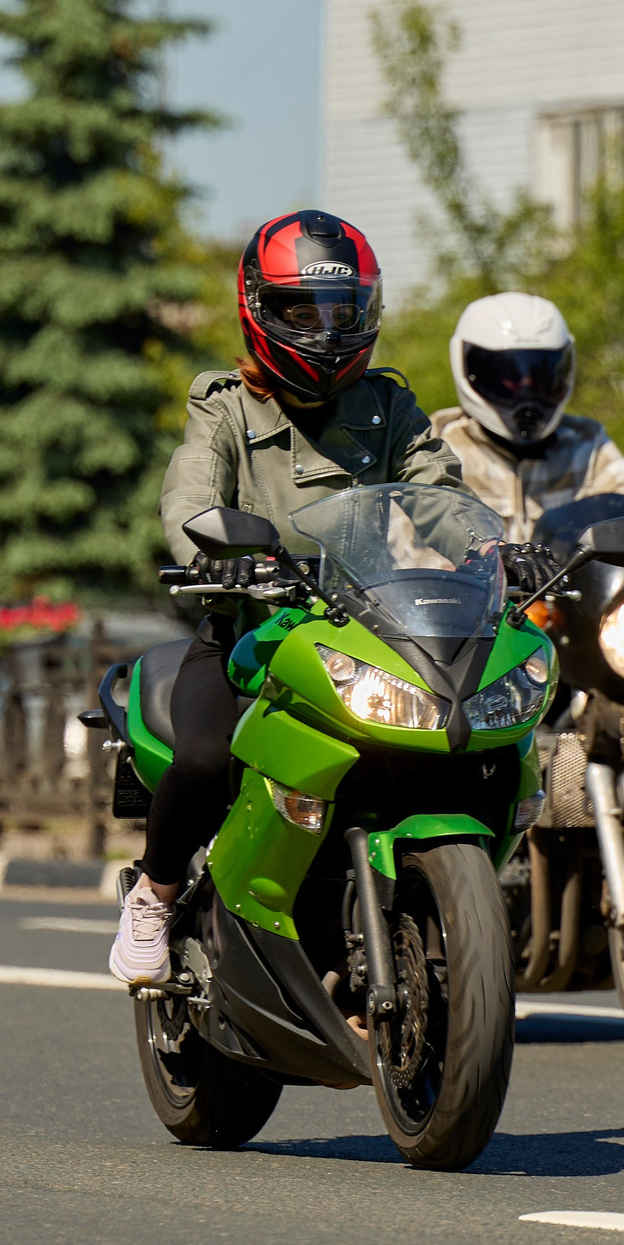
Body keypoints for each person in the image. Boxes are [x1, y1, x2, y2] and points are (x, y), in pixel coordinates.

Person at [111, 211, 462, 983]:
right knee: (205, 758)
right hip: (249, 633)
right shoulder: (225, 406)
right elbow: (189, 498)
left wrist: (491, 550)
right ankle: (156, 895)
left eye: (342, 311)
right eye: (303, 313)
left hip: (367, 635)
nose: (326, 332)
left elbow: (438, 492)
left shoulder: (389, 408)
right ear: (260, 310)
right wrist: (217, 557)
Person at [425, 292, 624, 593]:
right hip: (473, 616)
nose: (527, 391)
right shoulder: (438, 446)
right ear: (471, 371)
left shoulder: (583, 442)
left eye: (541, 376)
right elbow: (410, 541)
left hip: (572, 612)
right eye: (509, 377)